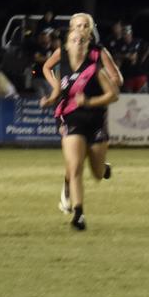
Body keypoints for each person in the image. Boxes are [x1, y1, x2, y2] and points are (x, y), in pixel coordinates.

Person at [40, 14, 119, 230]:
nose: (80, 36)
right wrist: (54, 92)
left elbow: (115, 91)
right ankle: (79, 213)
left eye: (84, 31)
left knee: (96, 172)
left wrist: (91, 99)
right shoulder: (62, 56)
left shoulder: (95, 63)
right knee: (75, 166)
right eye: (75, 33)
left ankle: (102, 167)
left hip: (95, 117)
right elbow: (47, 69)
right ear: (68, 39)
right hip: (70, 116)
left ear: (89, 36)